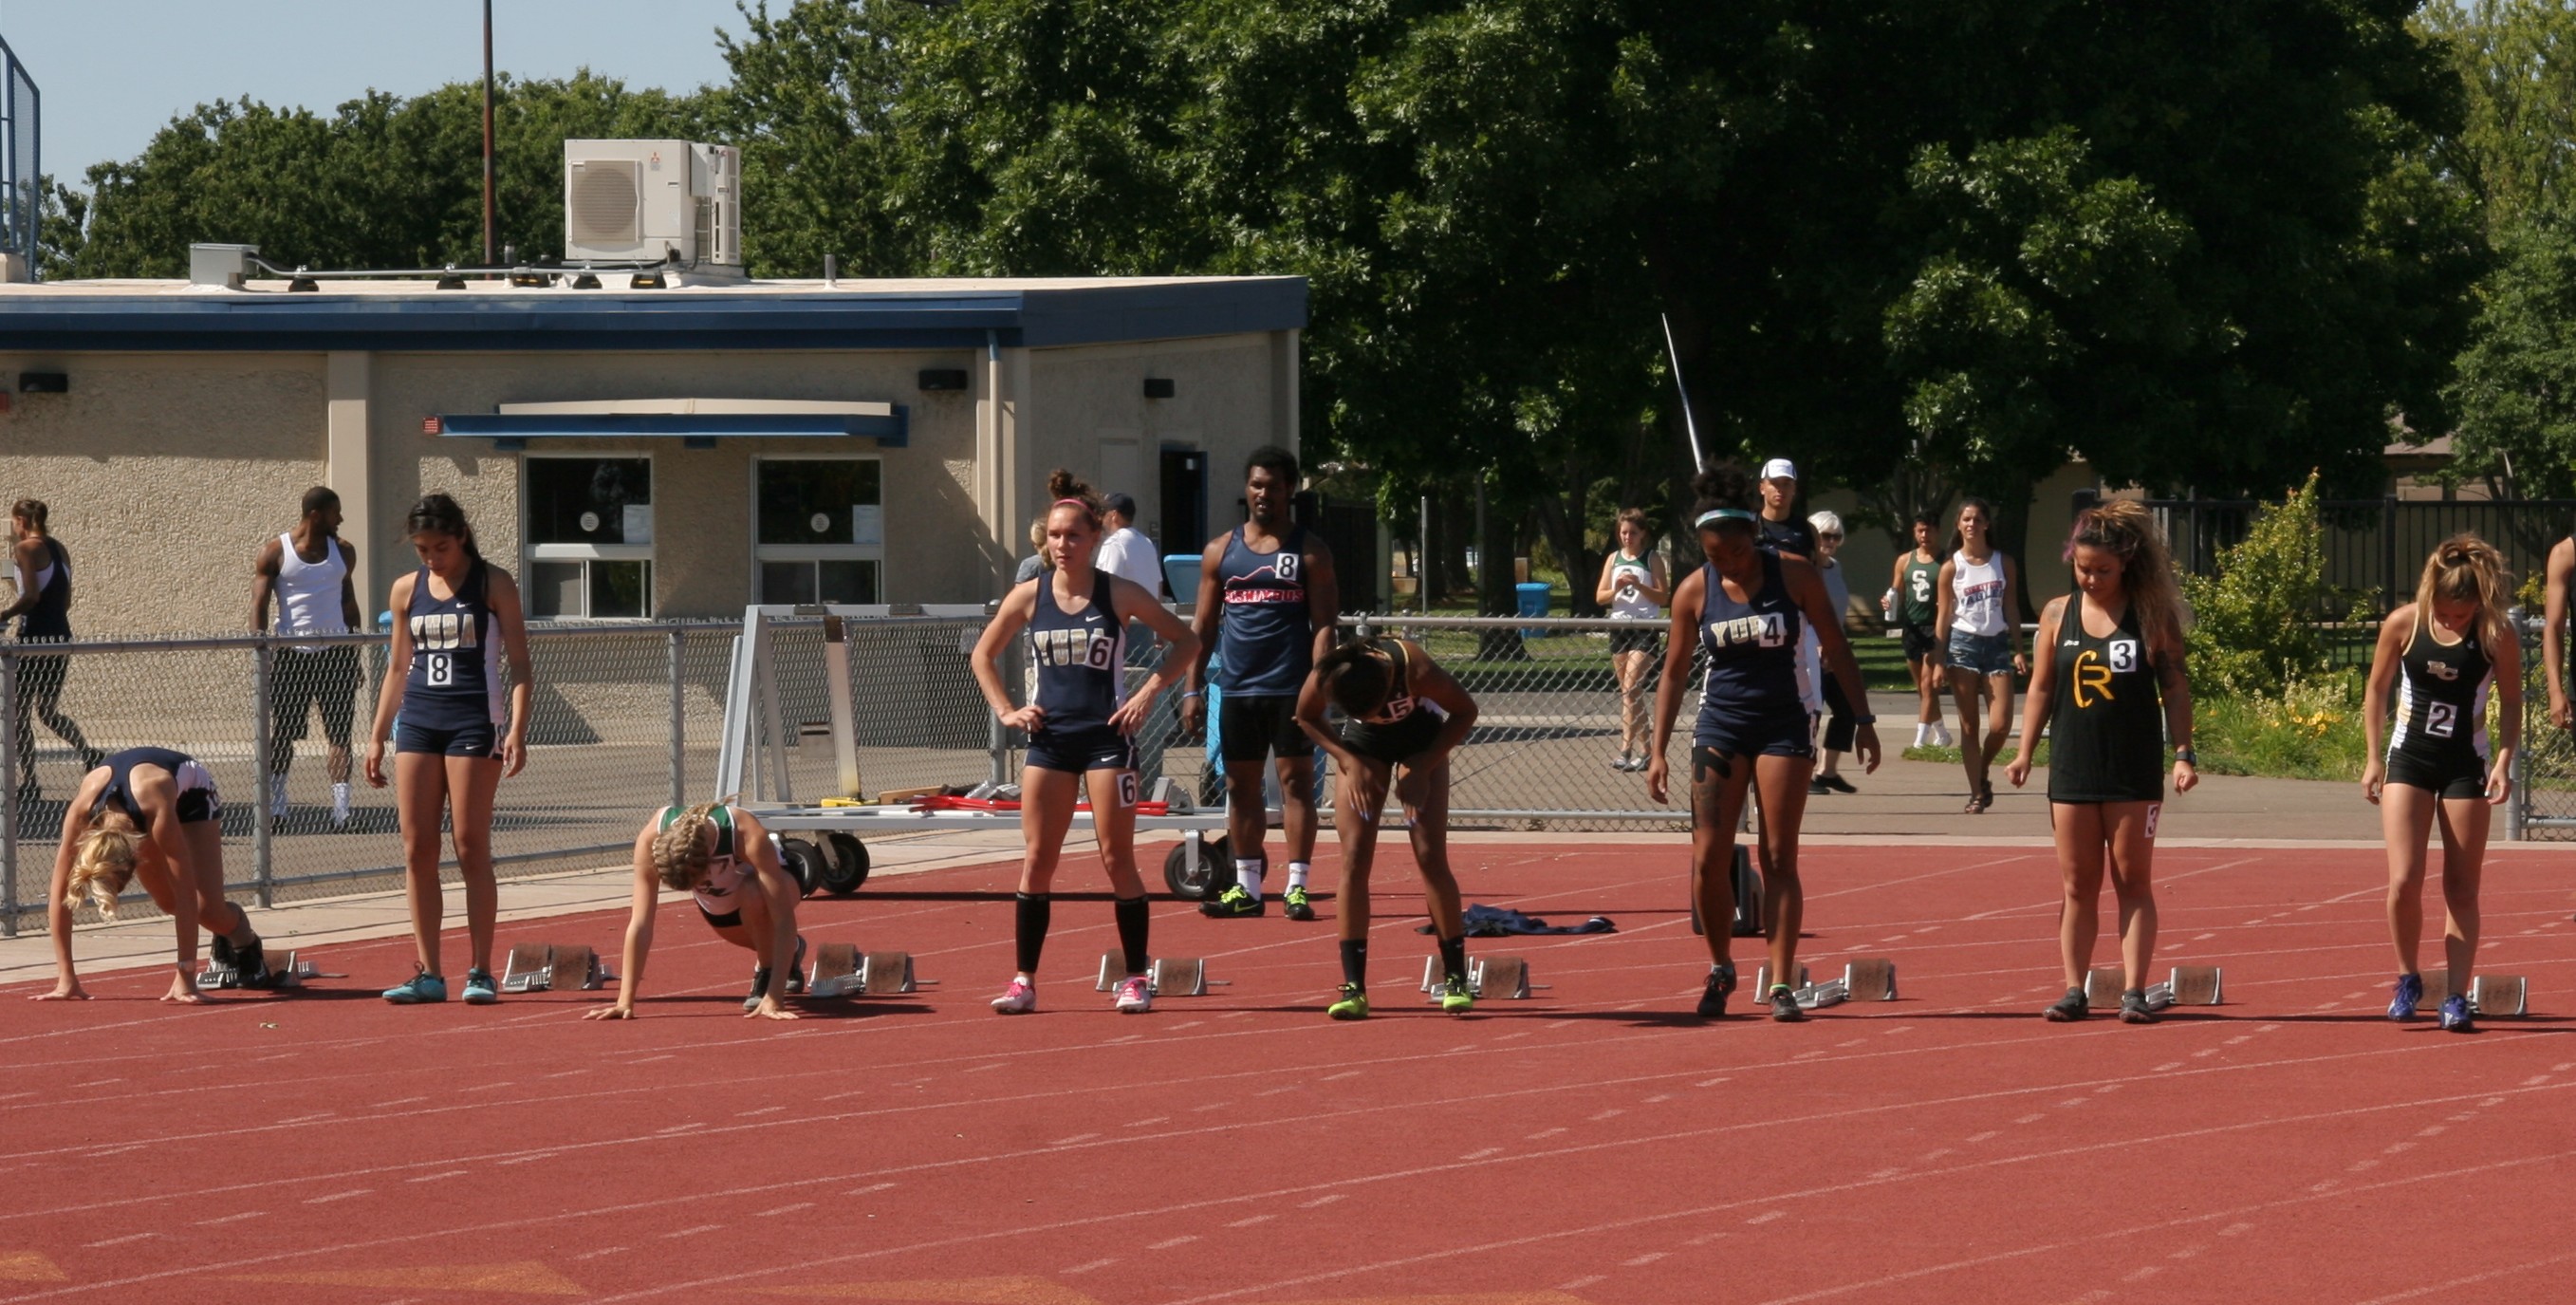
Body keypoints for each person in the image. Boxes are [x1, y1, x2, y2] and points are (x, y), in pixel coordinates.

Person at [1647, 463, 1881, 1022]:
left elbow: (1836, 647)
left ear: (1753, 536)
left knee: (1779, 855)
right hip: (1721, 724)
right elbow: (1675, 673)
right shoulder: (1693, 590)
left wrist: (1864, 718)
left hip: (1784, 721)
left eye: (1733, 552)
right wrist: (1656, 750)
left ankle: (1780, 981)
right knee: (1708, 858)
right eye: (1713, 555)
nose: (1725, 564)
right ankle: (1721, 964)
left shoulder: (1795, 574)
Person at [971, 470, 1199, 1015]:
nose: (1063, 545)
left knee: (1116, 856)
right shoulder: (1029, 596)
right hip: (1049, 742)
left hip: (1107, 739)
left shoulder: (1118, 592)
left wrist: (1148, 692)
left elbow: (1187, 640)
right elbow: (983, 655)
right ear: (1043, 540)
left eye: (1074, 536)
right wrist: (1007, 710)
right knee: (1036, 860)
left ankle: (1136, 978)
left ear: (1095, 538)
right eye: (1054, 535)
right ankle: (1024, 980)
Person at [2003, 502, 2198, 1024]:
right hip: (2072, 768)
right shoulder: (2054, 613)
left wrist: (2183, 752)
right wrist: (2025, 751)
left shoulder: (2153, 615)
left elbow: (2175, 687)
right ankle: (2075, 988)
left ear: (2127, 565)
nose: (2091, 579)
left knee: (2132, 880)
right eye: (2083, 568)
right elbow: (2042, 686)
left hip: (2132, 770)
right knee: (2077, 884)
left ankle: (2134, 990)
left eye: (2103, 571)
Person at [363, 493, 533, 1006]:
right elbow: (397, 668)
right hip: (417, 721)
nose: (432, 558)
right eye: (422, 550)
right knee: (417, 849)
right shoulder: (405, 590)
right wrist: (376, 733)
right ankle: (429, 972)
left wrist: (517, 730)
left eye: (440, 547)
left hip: (473, 722)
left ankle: (480, 969)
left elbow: (522, 666)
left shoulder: (493, 583)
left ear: (460, 535)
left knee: (469, 844)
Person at [2361, 535, 2519, 1034]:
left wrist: (2504, 760)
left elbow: (2513, 701)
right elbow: (2377, 689)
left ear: (2480, 603)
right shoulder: (2404, 624)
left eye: (2462, 615)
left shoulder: (2496, 634)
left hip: (2464, 762)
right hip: (2409, 758)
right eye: (2446, 615)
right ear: (2432, 596)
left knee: (2462, 888)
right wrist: (2371, 759)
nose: (2452, 622)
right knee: (2404, 879)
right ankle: (2408, 978)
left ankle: (2454, 994)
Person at [1181, 445, 1338, 921]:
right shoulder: (1221, 551)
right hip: (1237, 690)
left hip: (1291, 689)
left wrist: (1319, 686)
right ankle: (1247, 887)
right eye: (1255, 485)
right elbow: (1203, 629)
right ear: (1246, 489)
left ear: (1290, 489)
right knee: (1239, 787)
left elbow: (1325, 626)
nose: (1262, 494)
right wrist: (1192, 690)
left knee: (1295, 784)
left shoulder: (1309, 550)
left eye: (1272, 485)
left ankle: (1297, 886)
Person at [1295, 632, 1480, 1018]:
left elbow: (1465, 711)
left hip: (1422, 740)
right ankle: (1354, 988)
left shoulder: (1415, 667)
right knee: (1355, 857)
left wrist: (1424, 767)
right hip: (1364, 747)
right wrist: (1346, 759)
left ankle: (1457, 977)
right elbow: (1306, 716)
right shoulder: (1328, 673)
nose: (1375, 713)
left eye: (1377, 707)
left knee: (1430, 856)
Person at [34, 747, 275, 1003]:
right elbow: (59, 895)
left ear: (135, 859)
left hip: (191, 793)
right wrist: (66, 977)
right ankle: (221, 941)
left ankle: (243, 940)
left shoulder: (153, 806)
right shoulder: (82, 812)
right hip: (141, 800)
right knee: (167, 903)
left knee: (208, 911)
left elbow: (186, 891)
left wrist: (186, 975)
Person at [587, 800, 806, 1021]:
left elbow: (783, 919)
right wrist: (625, 1001)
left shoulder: (743, 831)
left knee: (754, 895)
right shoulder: (649, 838)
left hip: (782, 881)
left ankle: (768, 971)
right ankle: (791, 949)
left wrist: (775, 997)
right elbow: (640, 923)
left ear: (711, 861)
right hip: (723, 903)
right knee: (761, 935)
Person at [252, 486, 364, 829]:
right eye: (336, 513)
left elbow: (348, 601)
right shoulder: (275, 552)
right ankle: (278, 808)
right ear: (317, 515)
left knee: (340, 735)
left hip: (336, 653)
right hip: (291, 656)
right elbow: (259, 605)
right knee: (283, 733)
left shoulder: (343, 551)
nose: (341, 519)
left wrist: (354, 652)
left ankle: (342, 812)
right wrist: (262, 653)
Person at [2, 499, 101, 806]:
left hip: (34, 638)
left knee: (18, 712)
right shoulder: (60, 549)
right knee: (47, 710)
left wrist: (5, 613)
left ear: (20, 520)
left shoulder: (25, 549)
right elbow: (65, 599)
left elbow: (31, 595)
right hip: (60, 634)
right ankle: (88, 752)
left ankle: (31, 781)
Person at [1935, 498, 2025, 813]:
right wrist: (1937, 660)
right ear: (1958, 525)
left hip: (1997, 644)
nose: (1971, 524)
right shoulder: (1951, 567)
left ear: (1987, 524)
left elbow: (2011, 607)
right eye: (1965, 519)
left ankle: (1982, 769)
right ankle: (1976, 792)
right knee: (1969, 725)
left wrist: (2018, 649)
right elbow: (1944, 616)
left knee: (2001, 725)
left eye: (1977, 519)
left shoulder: (2003, 562)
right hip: (1962, 646)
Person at [1594, 509, 1669, 773]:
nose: (1627, 537)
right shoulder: (1613, 559)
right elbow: (1600, 597)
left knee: (1632, 685)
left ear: (1643, 534)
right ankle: (1628, 749)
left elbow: (1663, 597)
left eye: (1633, 533)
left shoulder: (1652, 559)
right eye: (1624, 532)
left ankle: (1646, 750)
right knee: (1628, 693)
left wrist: (1639, 586)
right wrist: (1617, 587)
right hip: (1619, 627)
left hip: (1645, 628)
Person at [1882, 511, 1953, 749]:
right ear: (1914, 532)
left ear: (1938, 531)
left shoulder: (1947, 560)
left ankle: (1919, 741)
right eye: (1920, 530)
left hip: (1936, 626)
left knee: (1928, 683)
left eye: (1929, 530)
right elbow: (1896, 590)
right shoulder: (1905, 560)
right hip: (1912, 627)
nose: (1925, 535)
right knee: (1922, 689)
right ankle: (1942, 733)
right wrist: (1888, 601)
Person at [1805, 511, 1860, 795]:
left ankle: (1827, 771)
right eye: (1825, 535)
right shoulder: (1804, 567)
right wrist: (1814, 643)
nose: (1830, 542)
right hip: (1808, 650)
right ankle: (1802, 773)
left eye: (1836, 536)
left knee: (1847, 709)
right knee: (1810, 713)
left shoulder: (1834, 567)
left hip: (1834, 649)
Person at [1094, 493, 1167, 597]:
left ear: (1114, 515)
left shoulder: (1114, 543)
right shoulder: (1146, 542)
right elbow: (1158, 585)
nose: (1101, 519)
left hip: (1126, 612)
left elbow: (1107, 587)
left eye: (1103, 514)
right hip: (1149, 611)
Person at [1753, 458, 1816, 560]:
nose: (1780, 489)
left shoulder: (1808, 529)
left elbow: (1816, 572)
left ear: (1794, 489)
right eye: (1774, 483)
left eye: (1786, 484)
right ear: (1762, 488)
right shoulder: (1748, 526)